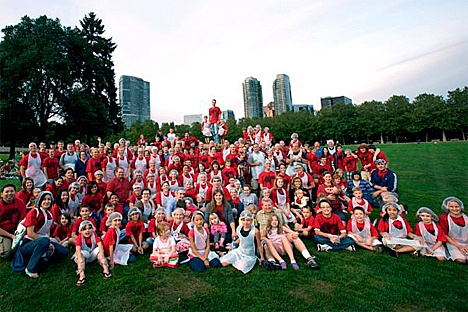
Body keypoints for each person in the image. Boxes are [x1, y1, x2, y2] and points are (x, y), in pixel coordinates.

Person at [17, 191, 69, 278]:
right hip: (28, 243)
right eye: (44, 199)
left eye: (49, 199)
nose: (47, 201)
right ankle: (30, 268)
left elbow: (47, 231)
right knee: (44, 241)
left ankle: (41, 257)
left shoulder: (49, 214)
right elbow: (30, 232)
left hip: (43, 241)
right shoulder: (34, 212)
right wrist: (47, 243)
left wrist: (49, 242)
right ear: (39, 200)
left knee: (64, 252)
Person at [73, 220, 111, 286]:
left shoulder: (94, 235)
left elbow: (99, 244)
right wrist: (80, 259)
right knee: (80, 256)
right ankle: (81, 275)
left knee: (99, 250)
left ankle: (105, 269)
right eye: (84, 229)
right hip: (83, 255)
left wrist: (101, 255)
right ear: (81, 231)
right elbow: (78, 249)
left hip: (91, 254)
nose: (87, 231)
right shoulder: (80, 237)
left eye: (89, 228)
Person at [0, 184, 27, 258]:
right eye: (7, 192)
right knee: (7, 254)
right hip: (3, 231)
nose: (9, 193)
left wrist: (18, 232)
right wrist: (11, 236)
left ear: (15, 193)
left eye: (12, 191)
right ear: (2, 194)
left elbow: (22, 219)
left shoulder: (20, 202)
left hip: (16, 229)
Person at [439, 197, 467, 263]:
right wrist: (459, 247)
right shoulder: (444, 218)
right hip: (452, 242)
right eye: (451, 206)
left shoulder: (466, 219)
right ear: (447, 207)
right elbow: (444, 235)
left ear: (461, 207)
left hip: (466, 242)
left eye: (457, 206)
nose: (454, 209)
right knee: (461, 260)